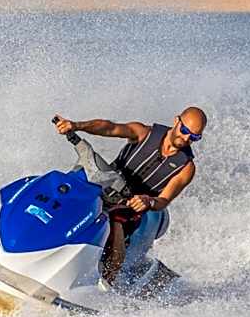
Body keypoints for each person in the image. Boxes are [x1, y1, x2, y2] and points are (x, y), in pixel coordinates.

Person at [53, 106, 206, 283]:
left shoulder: (186, 168)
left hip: (132, 207)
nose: (186, 138)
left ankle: (107, 282)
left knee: (116, 221)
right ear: (176, 121)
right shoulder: (143, 133)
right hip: (106, 184)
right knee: (68, 190)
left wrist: (148, 201)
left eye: (194, 136)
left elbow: (164, 200)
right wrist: (76, 126)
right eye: (185, 130)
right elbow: (110, 128)